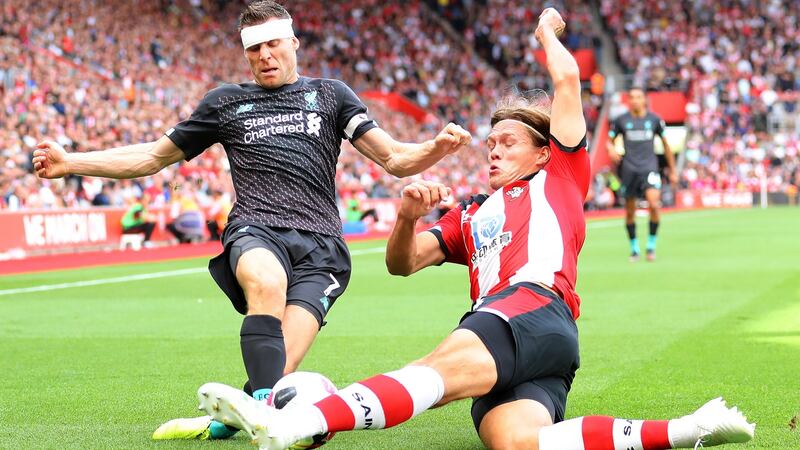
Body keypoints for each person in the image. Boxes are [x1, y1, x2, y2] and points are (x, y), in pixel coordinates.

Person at [194, 9, 754, 450]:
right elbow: (402, 263)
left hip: (530, 307)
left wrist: (546, 33)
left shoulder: (560, 175)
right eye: (490, 143)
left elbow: (565, 80)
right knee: (518, 441)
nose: (493, 151)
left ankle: (295, 422)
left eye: (508, 142)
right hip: (540, 346)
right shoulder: (469, 213)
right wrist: (407, 215)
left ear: (543, 152)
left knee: (430, 373)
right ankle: (689, 429)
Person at [32, 0, 470, 441]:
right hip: (256, 229)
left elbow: (394, 158)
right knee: (266, 283)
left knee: (278, 372)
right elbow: (151, 156)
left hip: (323, 250)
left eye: (273, 44)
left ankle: (228, 420)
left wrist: (435, 148)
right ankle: (267, 416)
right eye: (254, 48)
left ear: (293, 43)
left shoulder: (332, 95)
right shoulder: (226, 102)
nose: (265, 55)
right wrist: (72, 163)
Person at [607, 87, 676, 262]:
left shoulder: (654, 120)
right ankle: (634, 249)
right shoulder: (621, 121)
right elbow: (609, 141)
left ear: (644, 100)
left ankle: (651, 247)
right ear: (628, 100)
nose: (635, 100)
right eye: (632, 97)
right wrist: (611, 149)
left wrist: (673, 170)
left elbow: (666, 145)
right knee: (630, 211)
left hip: (649, 168)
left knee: (654, 205)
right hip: (629, 169)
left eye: (638, 97)